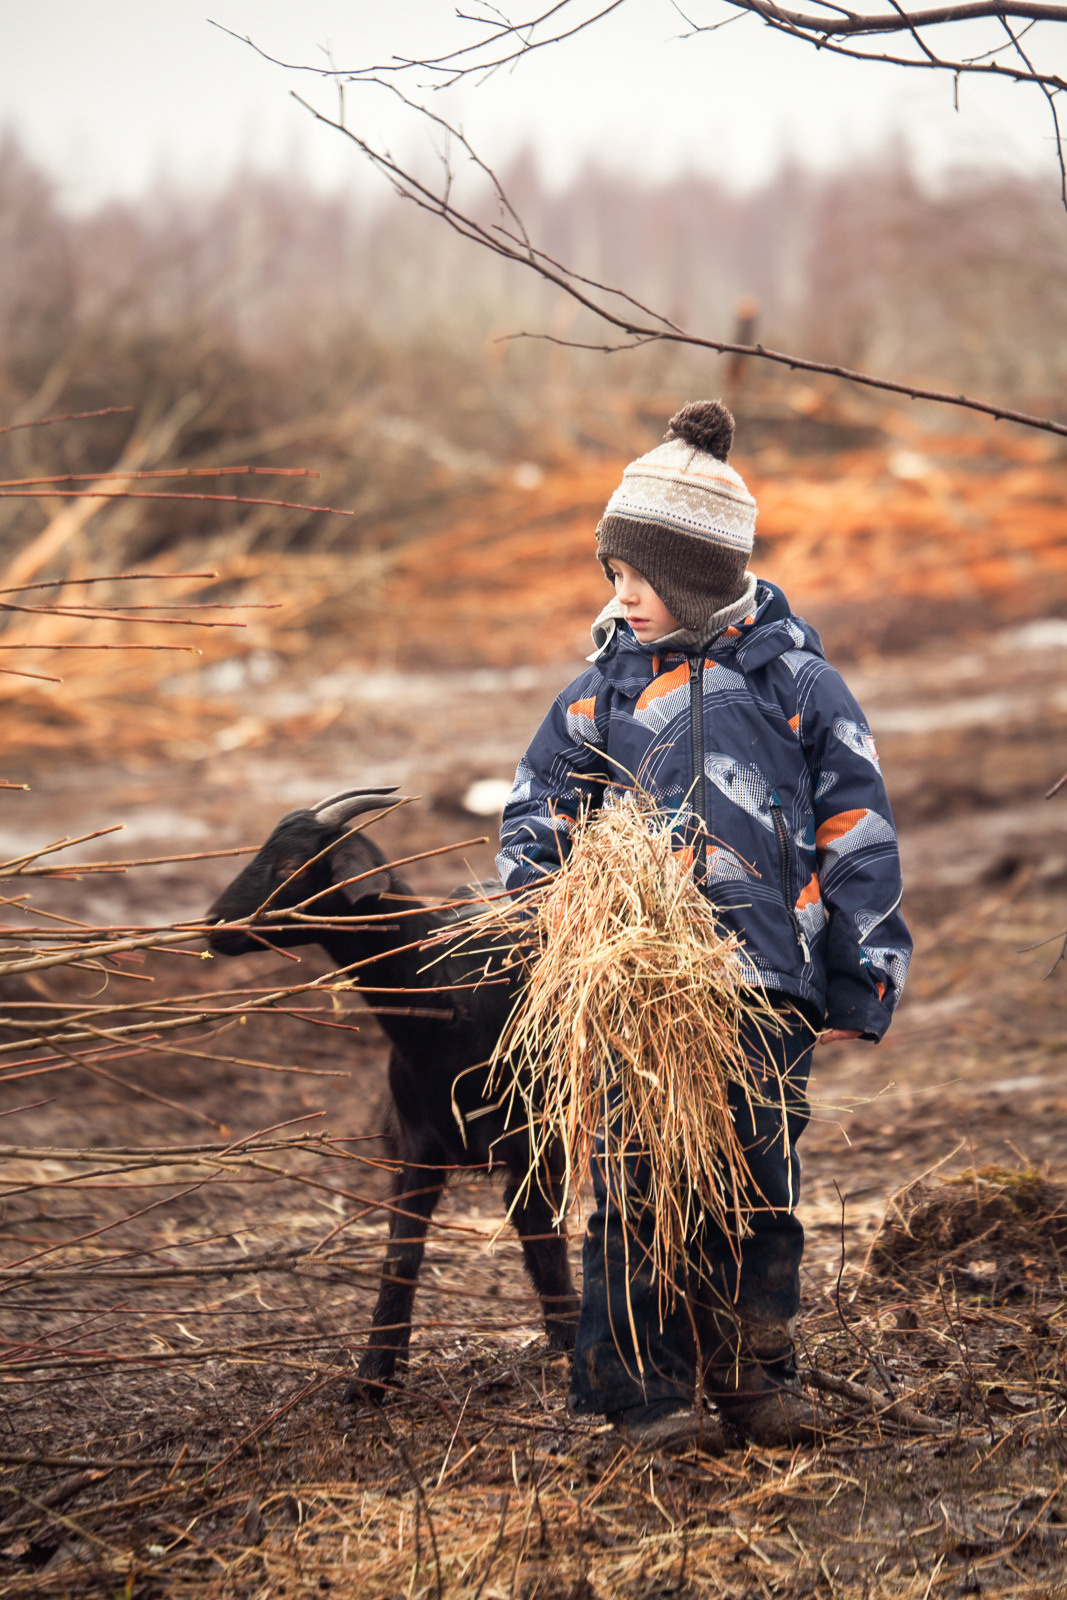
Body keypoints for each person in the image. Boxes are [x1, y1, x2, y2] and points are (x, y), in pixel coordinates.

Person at [496, 400, 912, 1451]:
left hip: (764, 984)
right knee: (637, 1181)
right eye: (611, 574)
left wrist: (860, 968)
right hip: (641, 993)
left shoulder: (793, 684)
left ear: (692, 575)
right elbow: (536, 812)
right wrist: (543, 921)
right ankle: (640, 1388)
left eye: (635, 576)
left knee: (759, 1179)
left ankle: (752, 1372)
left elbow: (855, 823)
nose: (618, 596)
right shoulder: (598, 696)